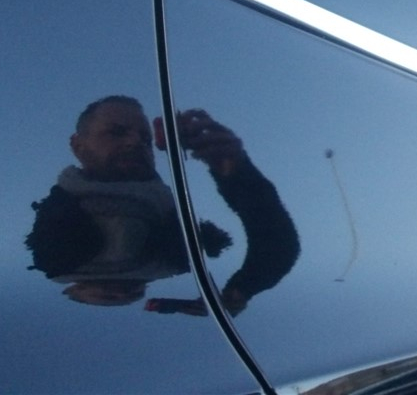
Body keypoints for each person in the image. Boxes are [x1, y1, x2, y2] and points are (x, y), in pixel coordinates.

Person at [26, 96, 298, 314]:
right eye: (116, 132)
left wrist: (237, 172)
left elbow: (276, 249)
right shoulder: (50, 218)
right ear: (78, 145)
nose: (135, 142)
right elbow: (275, 255)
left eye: (145, 139)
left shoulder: (182, 227)